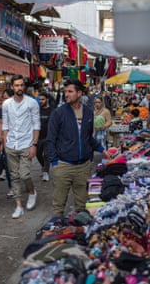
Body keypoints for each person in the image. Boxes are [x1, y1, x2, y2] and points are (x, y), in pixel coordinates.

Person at [47, 79, 109, 217]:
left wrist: (101, 149)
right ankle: (56, 232)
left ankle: (77, 232)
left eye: (70, 91)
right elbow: (50, 140)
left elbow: (88, 137)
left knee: (82, 206)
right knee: (59, 206)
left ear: (79, 93)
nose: (66, 95)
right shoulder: (58, 113)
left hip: (83, 166)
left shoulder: (88, 112)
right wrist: (54, 162)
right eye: (65, 92)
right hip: (63, 165)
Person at [2, 74, 40, 219]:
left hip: (26, 144)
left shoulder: (32, 103)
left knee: (24, 174)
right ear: (12, 87)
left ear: (24, 86)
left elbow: (36, 125)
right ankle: (18, 205)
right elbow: (5, 125)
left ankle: (32, 192)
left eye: (21, 85)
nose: (19, 88)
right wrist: (6, 144)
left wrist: (34, 144)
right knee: (14, 176)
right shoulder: (6, 104)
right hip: (11, 144)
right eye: (16, 85)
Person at [0, 88, 14, 198]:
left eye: (6, 98)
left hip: (19, 142)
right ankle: (12, 187)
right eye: (4, 98)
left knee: (19, 167)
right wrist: (0, 138)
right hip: (7, 142)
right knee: (7, 166)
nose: (4, 100)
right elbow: (0, 123)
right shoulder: (1, 109)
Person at [37, 91, 54, 182]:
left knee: (47, 155)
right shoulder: (37, 110)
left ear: (47, 99)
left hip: (48, 136)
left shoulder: (52, 110)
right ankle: (44, 167)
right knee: (38, 154)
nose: (41, 101)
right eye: (40, 99)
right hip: (38, 136)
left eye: (43, 99)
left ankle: (46, 172)